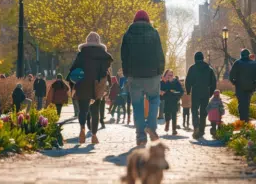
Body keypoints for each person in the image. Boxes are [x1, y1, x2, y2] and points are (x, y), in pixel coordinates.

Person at [121, 10, 165, 146]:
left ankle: (140, 136)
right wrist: (160, 71)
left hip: (134, 76)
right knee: (154, 100)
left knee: (138, 106)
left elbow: (124, 56)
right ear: (147, 20)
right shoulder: (154, 33)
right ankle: (151, 127)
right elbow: (160, 54)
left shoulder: (128, 34)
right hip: (152, 74)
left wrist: (127, 73)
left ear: (135, 20)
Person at [68, 32, 113, 144]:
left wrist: (72, 86)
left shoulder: (82, 54)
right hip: (97, 84)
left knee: (83, 109)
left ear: (87, 41)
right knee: (95, 111)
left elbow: (73, 70)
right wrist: (108, 86)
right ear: (98, 41)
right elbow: (107, 71)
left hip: (83, 84)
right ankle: (93, 135)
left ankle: (82, 129)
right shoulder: (104, 55)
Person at [186, 51, 217, 139]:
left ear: (195, 58)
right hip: (205, 91)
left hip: (195, 91)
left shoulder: (192, 68)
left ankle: (196, 126)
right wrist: (210, 93)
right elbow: (213, 83)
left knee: (194, 110)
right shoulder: (209, 68)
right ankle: (201, 130)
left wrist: (188, 91)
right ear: (203, 58)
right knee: (204, 112)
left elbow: (188, 81)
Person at [229, 49, 256, 123]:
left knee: (241, 104)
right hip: (250, 88)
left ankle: (243, 119)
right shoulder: (254, 64)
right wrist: (254, 86)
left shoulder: (237, 63)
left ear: (241, 55)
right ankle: (246, 119)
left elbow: (231, 76)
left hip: (240, 87)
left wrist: (235, 83)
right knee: (247, 103)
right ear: (248, 55)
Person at [160, 69, 183, 135]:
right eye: (168, 75)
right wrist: (161, 92)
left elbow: (181, 91)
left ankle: (174, 129)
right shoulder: (163, 82)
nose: (170, 76)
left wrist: (176, 94)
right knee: (167, 113)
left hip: (174, 100)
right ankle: (167, 124)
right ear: (165, 75)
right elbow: (160, 89)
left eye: (171, 75)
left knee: (174, 115)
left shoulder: (176, 82)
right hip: (166, 100)